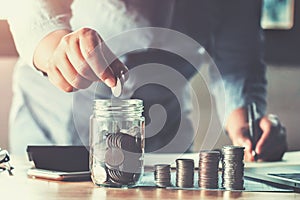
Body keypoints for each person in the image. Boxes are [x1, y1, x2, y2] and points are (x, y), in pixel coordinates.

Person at [7, 0, 287, 161]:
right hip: (55, 123)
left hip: (162, 133)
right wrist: (56, 46)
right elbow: (32, 8)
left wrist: (247, 126)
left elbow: (237, 60)